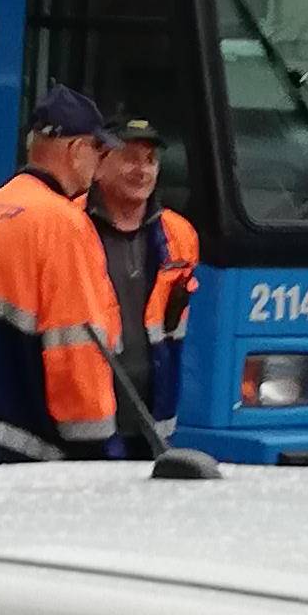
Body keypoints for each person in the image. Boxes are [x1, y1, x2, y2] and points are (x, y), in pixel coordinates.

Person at [0, 84, 119, 467]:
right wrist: (95, 450)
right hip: (21, 453)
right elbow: (76, 350)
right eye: (99, 150)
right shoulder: (63, 223)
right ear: (75, 148)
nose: (100, 165)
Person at [90, 118, 200, 453]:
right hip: (89, 423)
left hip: (153, 425)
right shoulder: (72, 227)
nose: (142, 170)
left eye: (150, 160)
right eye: (130, 158)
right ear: (98, 165)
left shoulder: (179, 235)